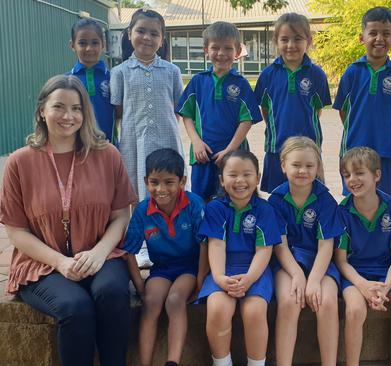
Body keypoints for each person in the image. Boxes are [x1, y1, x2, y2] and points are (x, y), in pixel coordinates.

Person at [0, 75, 136, 366]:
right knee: (76, 307)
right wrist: (60, 262)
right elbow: (16, 230)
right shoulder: (19, 163)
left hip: (102, 253)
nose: (68, 116)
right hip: (42, 263)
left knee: (111, 294)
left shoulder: (107, 155)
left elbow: (121, 215)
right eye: (59, 106)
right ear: (41, 111)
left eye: (77, 108)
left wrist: (99, 253)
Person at [111, 8, 184, 267]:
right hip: (134, 141)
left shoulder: (172, 71)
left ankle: (172, 241)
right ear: (129, 34)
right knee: (137, 191)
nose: (147, 38)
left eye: (154, 33)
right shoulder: (119, 72)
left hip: (167, 139)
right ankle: (142, 244)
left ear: (162, 39)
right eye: (141, 31)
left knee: (169, 189)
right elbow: (118, 110)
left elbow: (178, 106)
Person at [122, 148, 207, 366]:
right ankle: (145, 363)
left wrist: (200, 279)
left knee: (175, 299)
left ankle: (172, 362)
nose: (161, 189)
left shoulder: (194, 205)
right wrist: (139, 284)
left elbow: (205, 245)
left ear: (182, 181)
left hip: (189, 267)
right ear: (145, 181)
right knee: (151, 302)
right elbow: (128, 251)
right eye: (154, 182)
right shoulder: (142, 211)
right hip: (161, 269)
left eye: (169, 182)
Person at [197, 150, 282, 366]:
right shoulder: (215, 208)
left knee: (254, 311)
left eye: (247, 174)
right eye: (233, 174)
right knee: (217, 308)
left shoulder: (265, 210)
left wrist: (250, 278)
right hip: (223, 269)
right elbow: (215, 245)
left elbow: (264, 250)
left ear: (258, 178)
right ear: (222, 180)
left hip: (256, 271)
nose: (240, 180)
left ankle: (256, 364)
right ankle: (222, 363)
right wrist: (219, 277)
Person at [336, 147, 391, 366]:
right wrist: (363, 286)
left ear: (377, 175)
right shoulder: (342, 211)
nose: (352, 179)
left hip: (387, 273)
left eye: (359, 173)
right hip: (355, 275)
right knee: (354, 310)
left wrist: (385, 287)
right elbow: (341, 261)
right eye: (347, 175)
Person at [268, 136, 343, 366]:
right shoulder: (276, 199)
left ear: (318, 167)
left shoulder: (325, 200)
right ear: (283, 165)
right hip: (288, 262)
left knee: (327, 302)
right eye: (296, 165)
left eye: (310, 166)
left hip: (320, 262)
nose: (303, 171)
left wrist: (313, 280)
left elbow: (326, 246)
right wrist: (298, 275)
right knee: (290, 301)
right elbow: (279, 246)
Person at [333, 6, 391, 197]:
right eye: (373, 33)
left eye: (386, 34)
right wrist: (357, 130)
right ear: (362, 38)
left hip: (385, 152)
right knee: (354, 198)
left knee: (383, 200)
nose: (379, 39)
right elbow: (343, 110)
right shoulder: (352, 72)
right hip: (353, 149)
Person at [177, 21, 262, 201]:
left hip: (233, 157)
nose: (221, 53)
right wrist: (196, 141)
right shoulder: (198, 81)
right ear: (206, 50)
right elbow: (187, 114)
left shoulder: (241, 84)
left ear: (237, 52)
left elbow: (246, 121)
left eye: (228, 48)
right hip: (202, 156)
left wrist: (229, 151)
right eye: (215, 47)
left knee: (235, 199)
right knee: (201, 202)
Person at [254, 13, 332, 193]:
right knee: (277, 196)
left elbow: (317, 111)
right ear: (276, 41)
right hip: (276, 148)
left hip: (308, 149)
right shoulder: (267, 75)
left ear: (309, 41)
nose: (291, 45)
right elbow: (265, 110)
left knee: (311, 196)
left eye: (298, 39)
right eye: (285, 39)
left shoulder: (317, 75)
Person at [67, 18, 116, 144]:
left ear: (103, 45)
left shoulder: (114, 78)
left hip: (107, 145)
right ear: (72, 45)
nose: (89, 48)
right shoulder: (66, 81)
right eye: (82, 43)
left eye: (95, 43)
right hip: (76, 146)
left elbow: (120, 113)